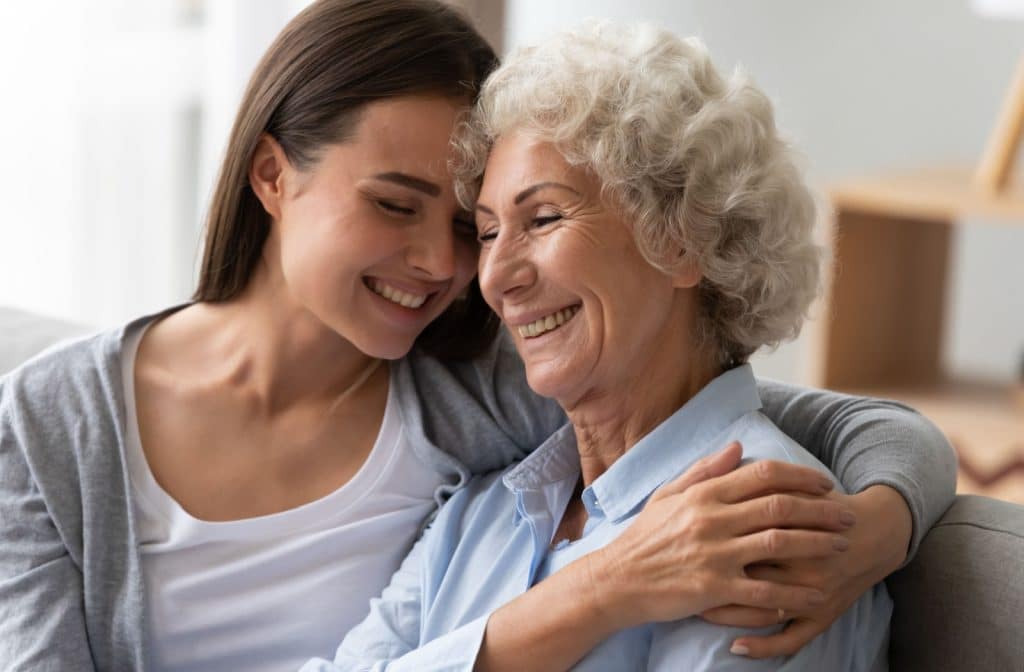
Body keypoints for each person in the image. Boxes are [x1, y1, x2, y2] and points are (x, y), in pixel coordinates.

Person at [0, 2, 953, 671]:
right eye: (397, 205)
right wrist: (600, 591)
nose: (464, 271)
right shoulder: (52, 420)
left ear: (680, 238)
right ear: (271, 176)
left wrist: (866, 530)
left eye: (479, 224)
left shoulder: (492, 397)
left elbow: (830, 422)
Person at [310, 21, 897, 671]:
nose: (496, 278)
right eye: (488, 232)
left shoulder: (758, 525)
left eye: (543, 219)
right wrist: (597, 591)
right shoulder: (481, 512)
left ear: (679, 239)